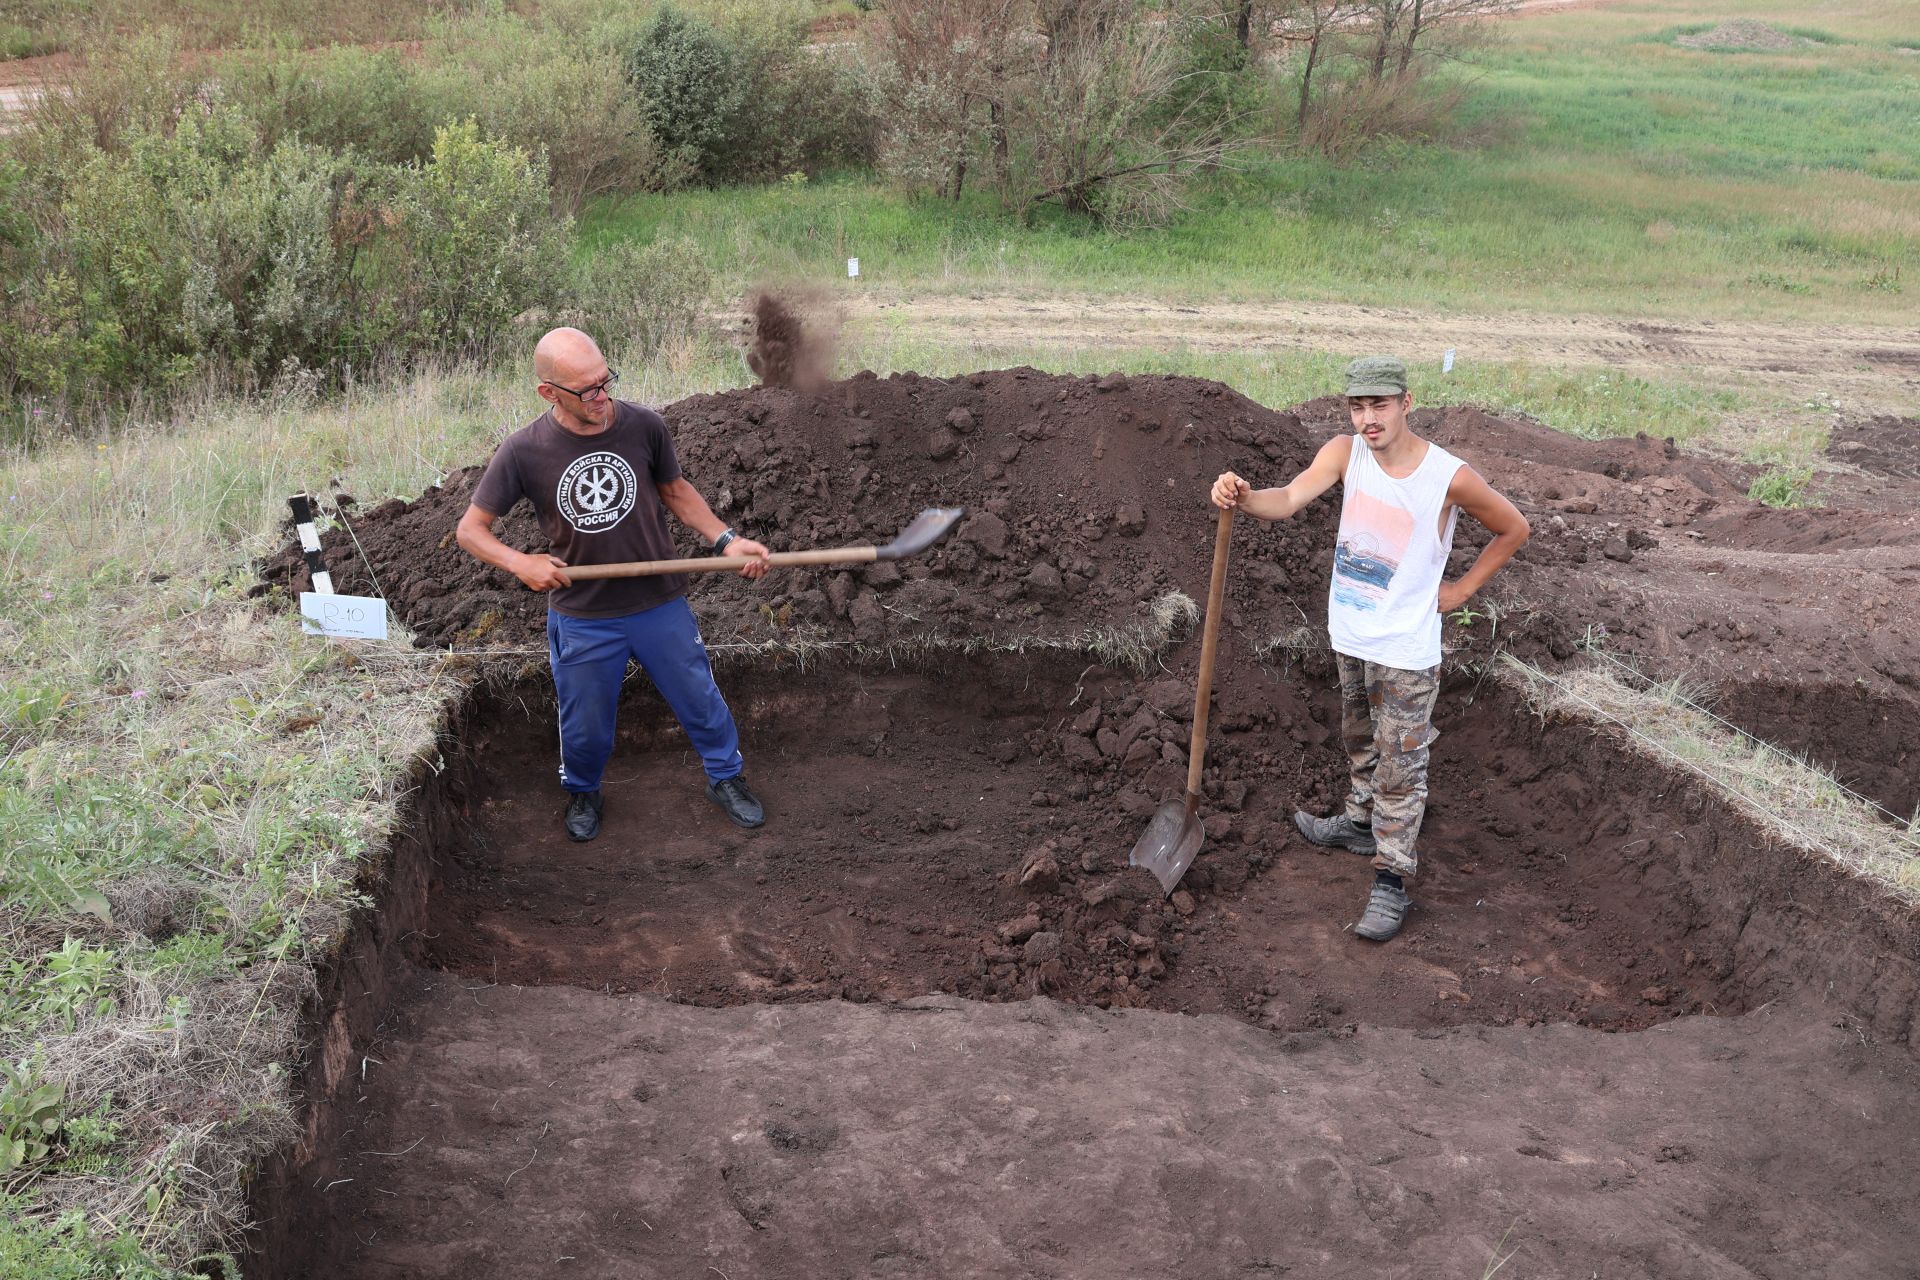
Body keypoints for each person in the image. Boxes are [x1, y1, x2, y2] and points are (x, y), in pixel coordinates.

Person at [1210, 356, 1530, 942]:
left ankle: (1392, 878)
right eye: (1358, 407)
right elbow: (1285, 500)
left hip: (1407, 645)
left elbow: (1514, 527)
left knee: (1401, 764)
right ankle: (1360, 824)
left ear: (1407, 402)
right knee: (1360, 737)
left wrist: (1461, 590)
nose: (1367, 419)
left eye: (1378, 405)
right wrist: (1243, 496)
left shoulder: (1448, 476)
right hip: (1351, 634)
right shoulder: (1344, 452)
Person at [455, 327, 772, 842]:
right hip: (583, 614)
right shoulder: (523, 451)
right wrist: (520, 563)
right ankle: (583, 790)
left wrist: (725, 539)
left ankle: (726, 778)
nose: (602, 397)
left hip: (658, 604)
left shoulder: (644, 425)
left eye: (605, 381)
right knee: (585, 723)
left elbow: (675, 489)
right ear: (549, 392)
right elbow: (470, 531)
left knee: (700, 699)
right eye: (587, 390)